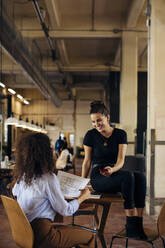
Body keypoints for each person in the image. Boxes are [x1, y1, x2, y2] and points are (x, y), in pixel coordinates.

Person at [12, 133, 95, 248]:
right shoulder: (49, 178)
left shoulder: (23, 176)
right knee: (90, 236)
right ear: (45, 153)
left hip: (25, 233)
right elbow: (66, 210)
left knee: (70, 232)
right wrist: (83, 197)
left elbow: (14, 193)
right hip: (43, 237)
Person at [81, 100, 147, 239]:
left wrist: (113, 169)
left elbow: (121, 161)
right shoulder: (90, 135)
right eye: (93, 122)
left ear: (108, 117)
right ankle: (130, 224)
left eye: (99, 120)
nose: (96, 124)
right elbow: (87, 161)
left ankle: (138, 224)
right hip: (98, 175)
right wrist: (82, 183)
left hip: (114, 171)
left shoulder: (120, 134)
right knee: (128, 177)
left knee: (140, 177)